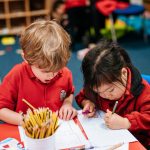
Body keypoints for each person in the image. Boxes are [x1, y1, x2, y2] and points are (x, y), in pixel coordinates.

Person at [0, 20, 77, 126]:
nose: (51, 75)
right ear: (26, 58)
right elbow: (1, 110)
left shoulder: (66, 73)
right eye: (45, 71)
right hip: (25, 132)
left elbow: (69, 93)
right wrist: (27, 120)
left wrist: (67, 104)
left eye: (57, 69)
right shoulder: (16, 75)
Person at [75, 40, 150, 149]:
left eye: (110, 90)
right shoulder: (98, 84)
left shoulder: (142, 91)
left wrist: (126, 122)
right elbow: (83, 95)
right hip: (108, 141)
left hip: (139, 143)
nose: (105, 95)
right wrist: (87, 102)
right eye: (98, 92)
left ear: (124, 73)